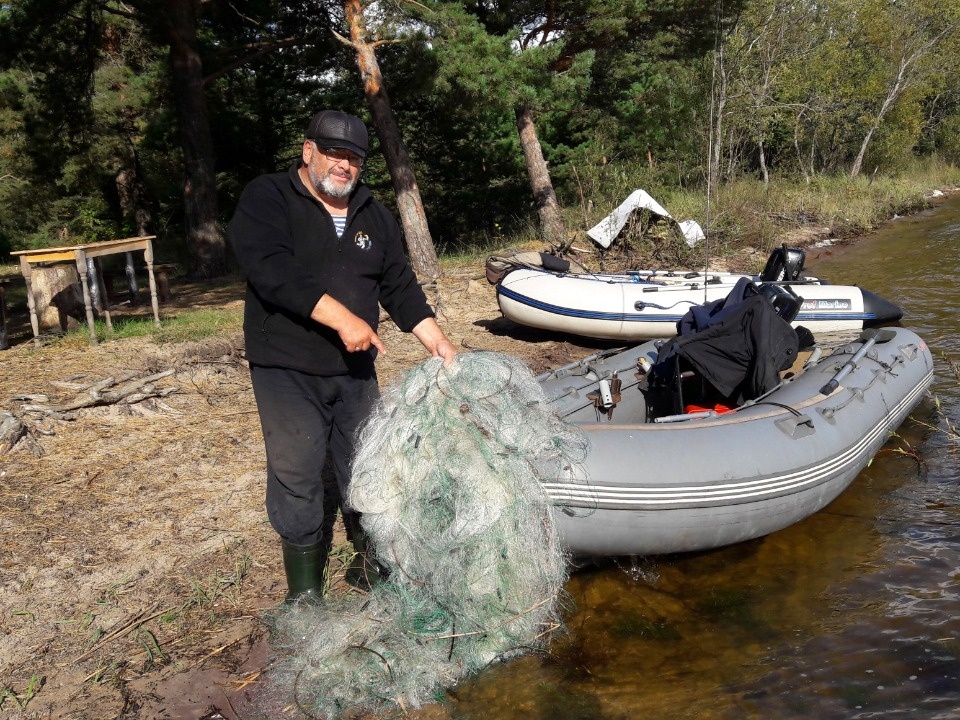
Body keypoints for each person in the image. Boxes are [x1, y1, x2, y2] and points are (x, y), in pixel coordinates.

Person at [228, 109, 457, 603]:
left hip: (355, 370)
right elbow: (272, 271)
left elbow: (399, 286)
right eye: (334, 152)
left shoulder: (373, 213)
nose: (344, 165)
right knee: (297, 471)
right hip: (286, 368)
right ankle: (305, 590)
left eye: (354, 157)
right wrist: (344, 319)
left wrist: (437, 342)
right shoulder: (268, 197)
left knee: (366, 464)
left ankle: (368, 560)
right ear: (308, 150)